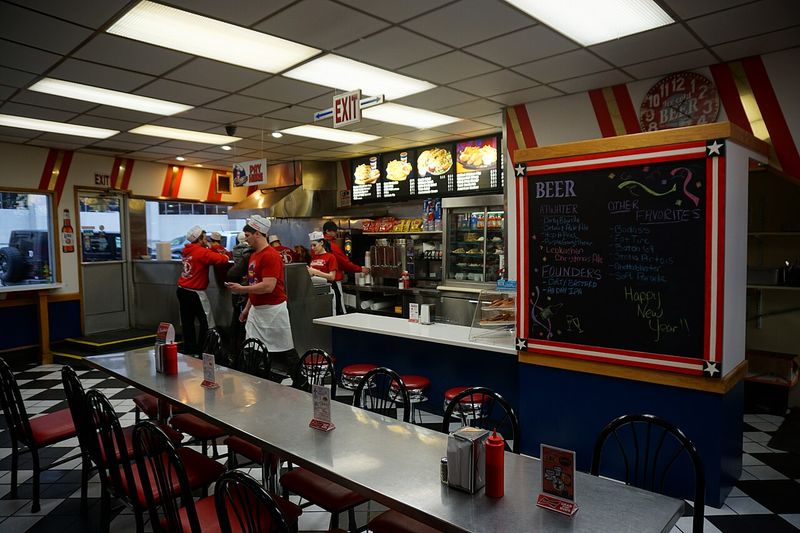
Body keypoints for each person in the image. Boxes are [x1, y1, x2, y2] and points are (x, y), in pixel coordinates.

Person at [226, 215, 304, 387]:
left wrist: (241, 289)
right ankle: (252, 384)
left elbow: (268, 286)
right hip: (256, 311)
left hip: (274, 311)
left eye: (247, 235)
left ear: (258, 234)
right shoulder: (254, 256)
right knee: (251, 349)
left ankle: (303, 384)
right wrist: (247, 308)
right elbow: (255, 285)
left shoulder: (271, 256)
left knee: (285, 351)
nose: (245, 240)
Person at [176, 225, 230, 355]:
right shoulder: (202, 252)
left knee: (187, 322)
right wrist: (214, 249)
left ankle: (190, 350)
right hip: (195, 292)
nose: (207, 240)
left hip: (181, 290)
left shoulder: (187, 250)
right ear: (200, 239)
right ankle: (204, 351)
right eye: (205, 237)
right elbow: (224, 259)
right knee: (207, 322)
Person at [322, 220, 369, 315]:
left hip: (322, 282)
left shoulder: (317, 246)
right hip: (333, 282)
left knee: (328, 309)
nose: (336, 233)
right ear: (327, 231)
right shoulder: (332, 246)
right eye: (334, 231)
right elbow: (344, 263)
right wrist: (360, 269)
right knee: (339, 308)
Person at [225, 231, 252, 355]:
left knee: (235, 318)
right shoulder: (247, 252)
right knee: (242, 320)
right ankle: (242, 348)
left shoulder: (235, 250)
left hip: (235, 291)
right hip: (244, 290)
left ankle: (232, 349)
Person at [307, 231, 341, 315]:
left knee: (330, 315)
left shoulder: (330, 257)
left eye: (314, 245)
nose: (312, 248)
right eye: (311, 246)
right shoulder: (313, 258)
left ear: (321, 243)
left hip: (329, 289)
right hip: (316, 290)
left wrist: (315, 272)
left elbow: (332, 277)